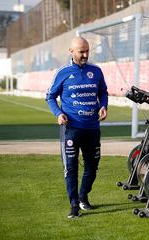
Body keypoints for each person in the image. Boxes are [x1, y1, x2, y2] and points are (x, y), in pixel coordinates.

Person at [45, 36, 108, 218]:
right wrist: (58, 113)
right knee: (71, 168)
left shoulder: (96, 71)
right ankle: (74, 205)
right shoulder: (62, 72)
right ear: (71, 52)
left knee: (92, 167)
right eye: (81, 51)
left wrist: (103, 105)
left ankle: (83, 195)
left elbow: (103, 92)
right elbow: (50, 97)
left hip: (92, 128)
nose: (85, 55)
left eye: (87, 51)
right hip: (71, 128)